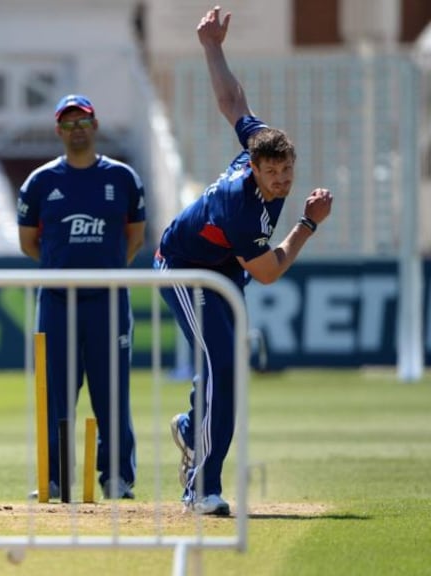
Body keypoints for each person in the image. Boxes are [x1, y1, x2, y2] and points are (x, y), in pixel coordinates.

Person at [155, 6, 333, 516]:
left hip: (223, 271)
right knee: (226, 370)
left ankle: (192, 429)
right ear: (253, 168)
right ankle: (201, 488)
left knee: (222, 366)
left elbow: (232, 101)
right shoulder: (240, 205)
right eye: (271, 172)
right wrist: (308, 223)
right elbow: (269, 271)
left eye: (286, 170)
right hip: (187, 270)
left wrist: (213, 46)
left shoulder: (258, 142)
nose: (280, 180)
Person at [17, 93, 147, 500]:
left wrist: (102, 273)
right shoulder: (40, 183)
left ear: (95, 125)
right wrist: (66, 271)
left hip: (108, 302)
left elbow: (135, 238)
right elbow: (28, 244)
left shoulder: (123, 179)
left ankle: (117, 478)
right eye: (68, 123)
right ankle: (54, 479)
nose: (76, 129)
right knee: (55, 393)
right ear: (59, 130)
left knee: (112, 392)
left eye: (82, 121)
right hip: (57, 302)